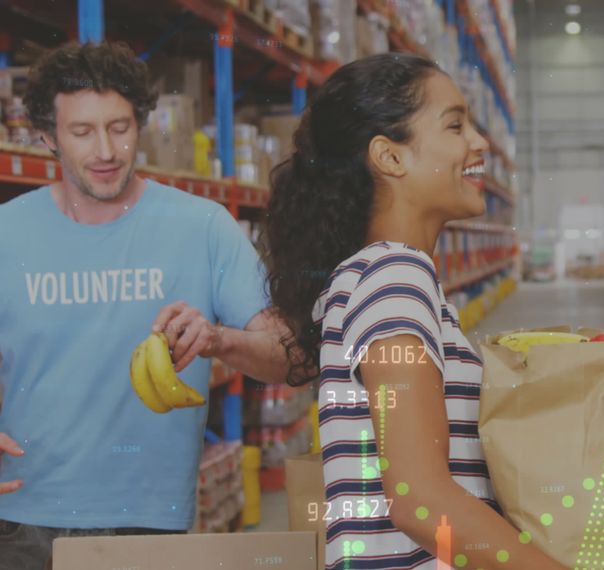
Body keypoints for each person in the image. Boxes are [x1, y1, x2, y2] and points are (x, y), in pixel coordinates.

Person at [0, 42, 299, 569]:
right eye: (82, 132)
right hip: (22, 515)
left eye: (119, 127)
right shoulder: (8, 232)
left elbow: (288, 355)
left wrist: (219, 339)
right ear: (47, 136)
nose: (106, 150)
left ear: (140, 124)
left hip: (151, 518)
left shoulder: (202, 227)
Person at [264, 53, 565, 569]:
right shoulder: (393, 279)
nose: (479, 142)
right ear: (390, 157)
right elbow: (419, 500)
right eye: (455, 125)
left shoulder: (381, 277)